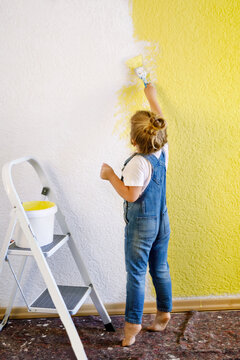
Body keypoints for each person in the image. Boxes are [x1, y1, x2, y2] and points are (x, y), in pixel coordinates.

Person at [100, 82, 172, 347]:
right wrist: (151, 96)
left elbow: (131, 195)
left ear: (133, 140)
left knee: (136, 274)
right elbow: (160, 119)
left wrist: (109, 176)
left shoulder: (137, 164)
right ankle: (164, 313)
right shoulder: (162, 152)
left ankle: (132, 327)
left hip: (142, 226)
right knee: (160, 268)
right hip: (162, 220)